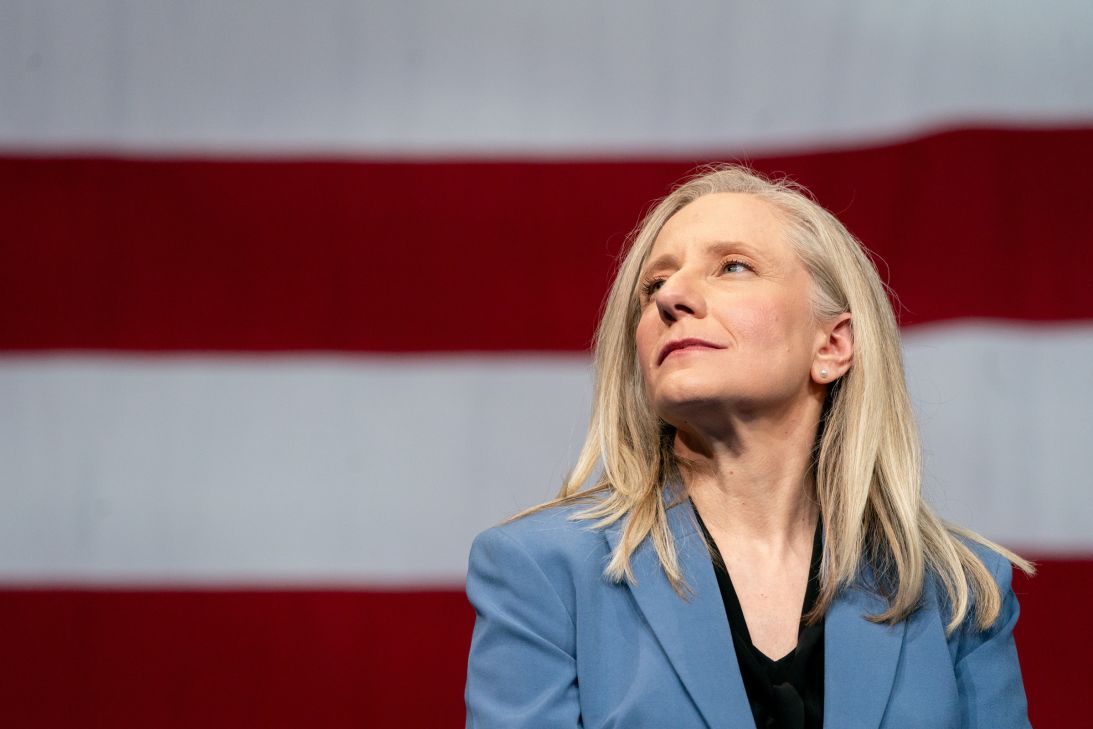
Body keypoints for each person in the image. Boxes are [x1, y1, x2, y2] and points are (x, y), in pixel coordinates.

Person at [463, 165, 1033, 728]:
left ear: (832, 345)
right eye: (654, 285)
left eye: (733, 267)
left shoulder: (958, 590)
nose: (673, 297)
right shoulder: (541, 572)